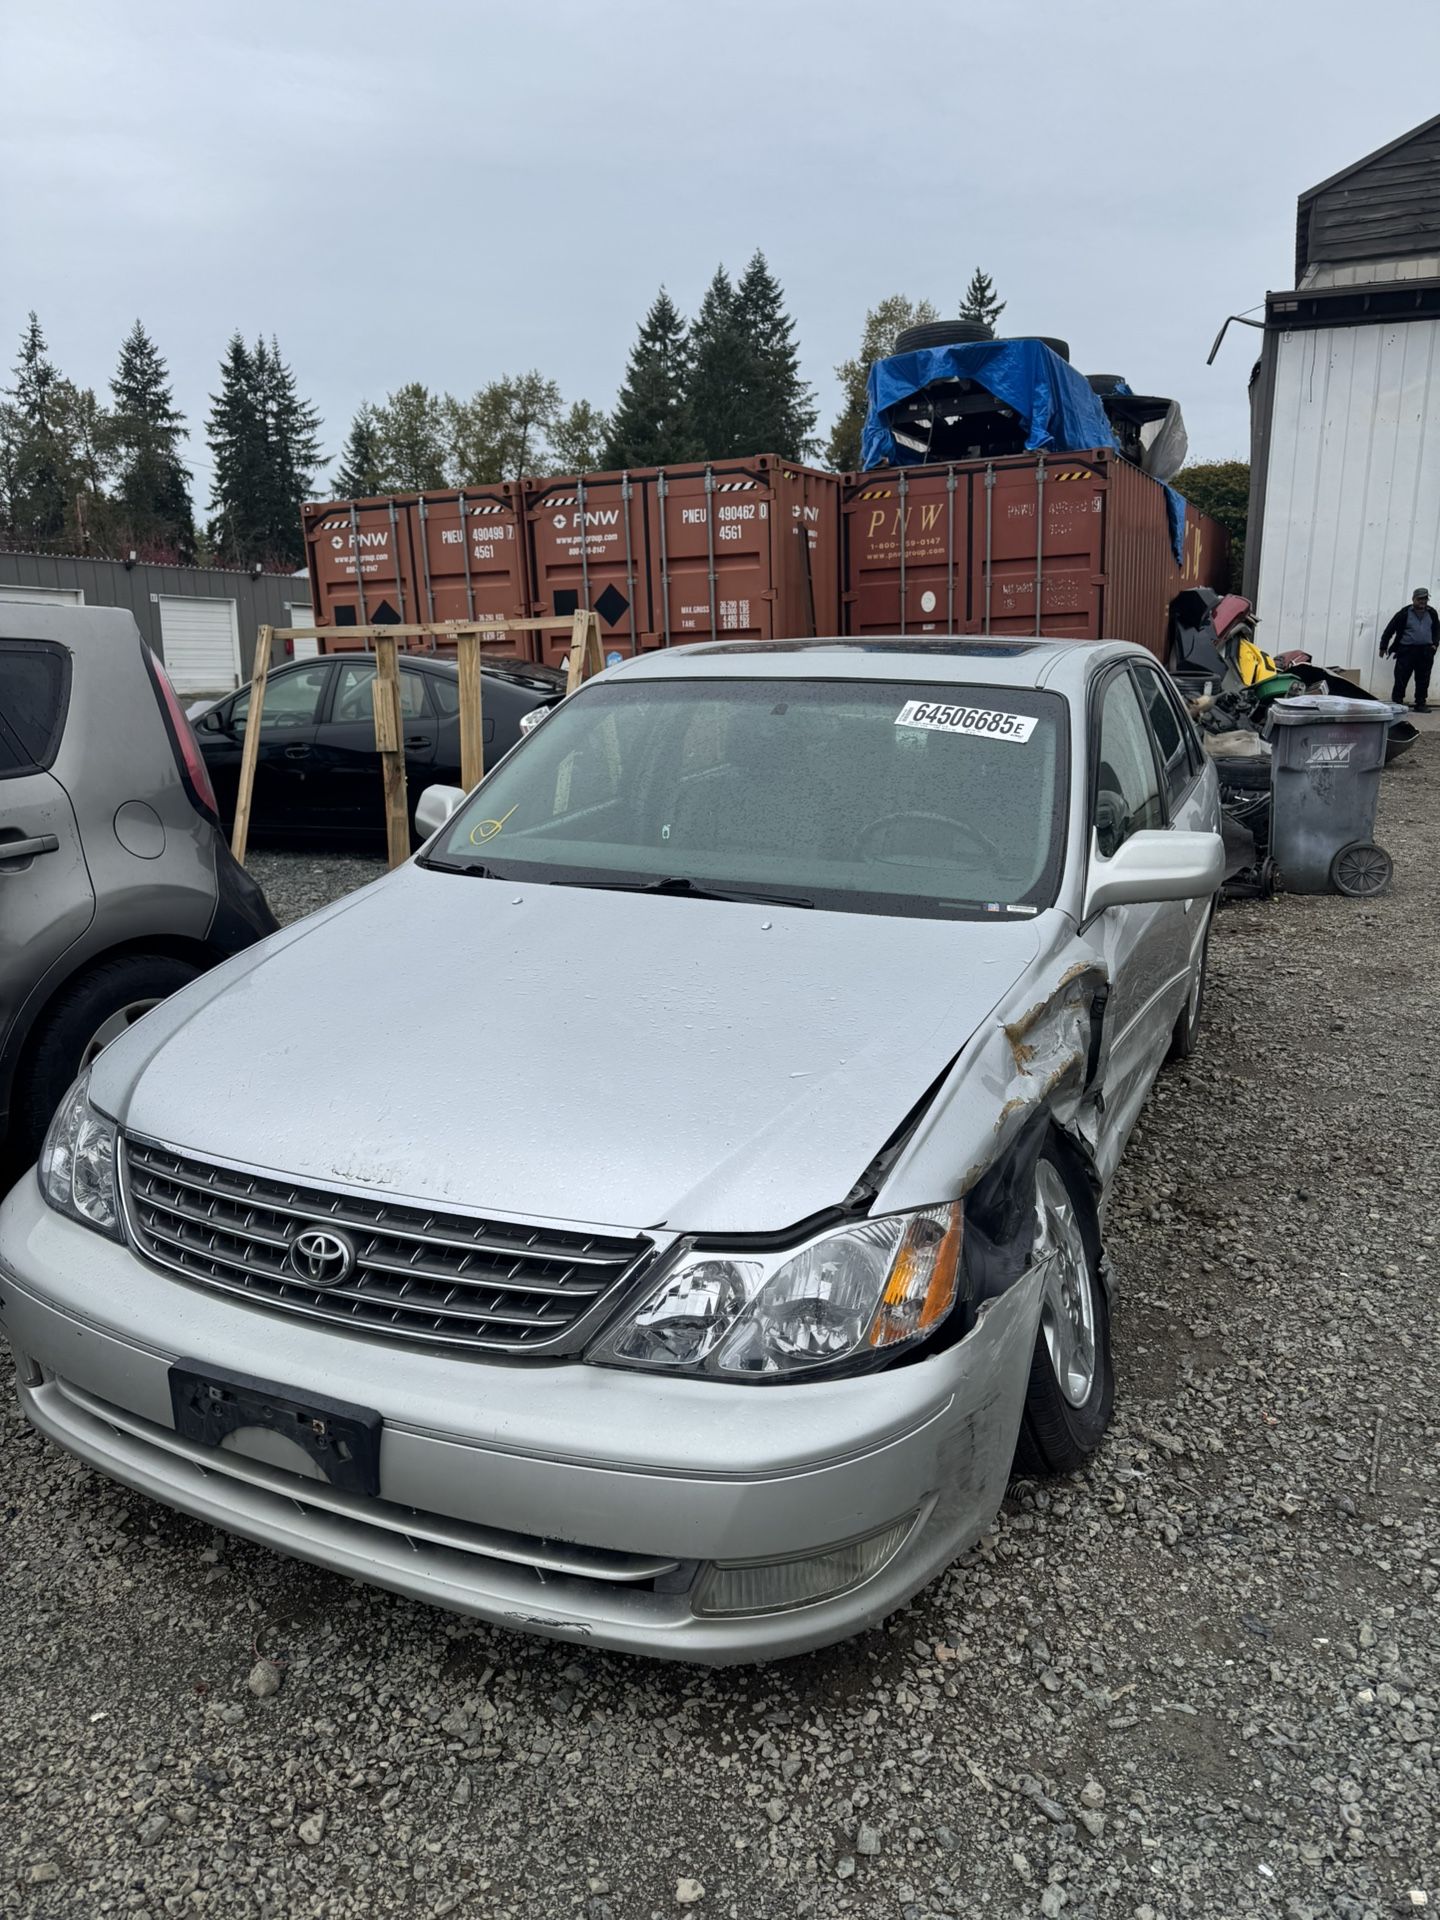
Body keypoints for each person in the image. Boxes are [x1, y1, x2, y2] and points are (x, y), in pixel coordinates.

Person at [1380, 587, 1440, 712]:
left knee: (1423, 679)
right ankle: (1397, 703)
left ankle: (1420, 704)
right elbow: (1390, 629)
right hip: (1406, 651)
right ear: (1413, 599)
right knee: (1401, 677)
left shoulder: (1432, 613)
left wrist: (1434, 645)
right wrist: (1383, 646)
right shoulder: (1404, 613)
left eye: (1425, 599)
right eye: (1420, 599)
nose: (1422, 601)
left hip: (1425, 652)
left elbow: (1437, 630)